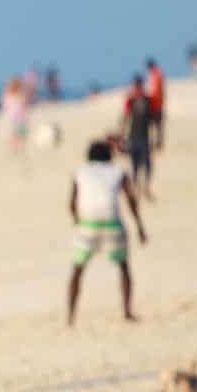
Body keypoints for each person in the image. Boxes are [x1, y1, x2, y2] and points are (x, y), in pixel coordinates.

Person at [67, 140, 149, 326]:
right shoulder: (118, 171)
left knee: (77, 270)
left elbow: (72, 202)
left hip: (88, 224)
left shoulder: (80, 171)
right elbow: (131, 201)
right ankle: (127, 311)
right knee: (123, 267)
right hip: (112, 223)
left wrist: (77, 220)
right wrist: (140, 228)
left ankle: (71, 317)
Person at [123, 75, 155, 198]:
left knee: (147, 164)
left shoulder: (148, 100)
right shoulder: (130, 100)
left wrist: (157, 137)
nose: (137, 87)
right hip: (133, 136)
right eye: (136, 85)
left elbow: (153, 118)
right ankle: (136, 188)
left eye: (138, 85)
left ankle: (146, 187)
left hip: (145, 137)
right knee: (135, 165)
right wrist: (122, 134)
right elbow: (125, 116)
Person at [3, 74, 30, 155]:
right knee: (21, 133)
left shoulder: (8, 93)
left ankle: (15, 148)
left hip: (13, 115)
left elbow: (5, 103)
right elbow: (25, 103)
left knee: (15, 133)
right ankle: (20, 148)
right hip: (20, 115)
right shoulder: (20, 93)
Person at [146, 58, 167, 150]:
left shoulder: (156, 75)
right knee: (156, 125)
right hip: (156, 103)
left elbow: (156, 90)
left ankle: (157, 142)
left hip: (155, 104)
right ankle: (156, 142)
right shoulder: (155, 74)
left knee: (156, 125)